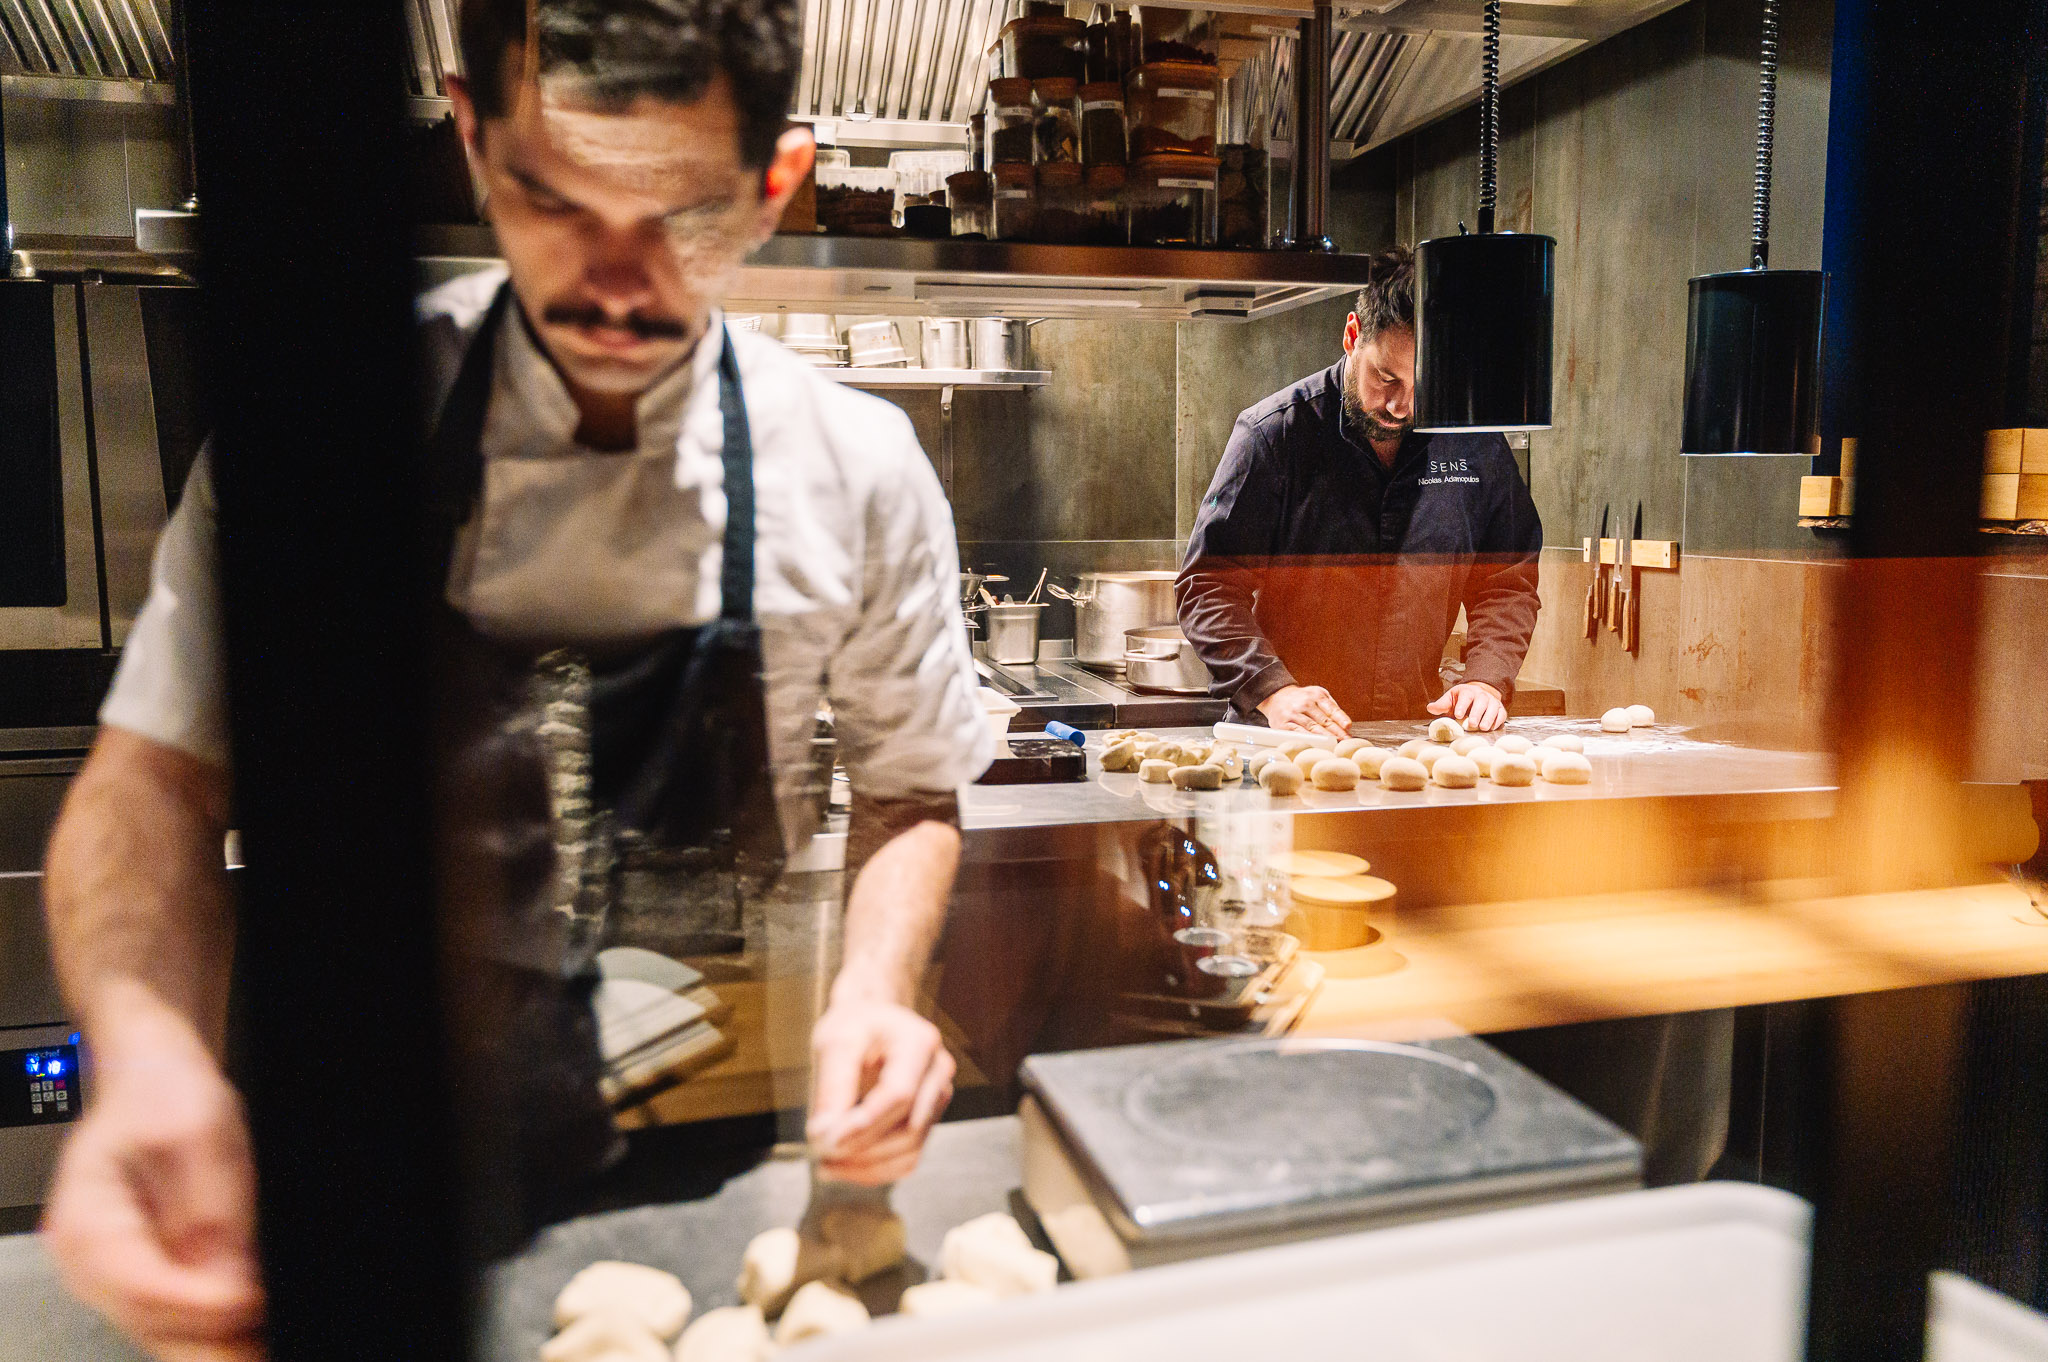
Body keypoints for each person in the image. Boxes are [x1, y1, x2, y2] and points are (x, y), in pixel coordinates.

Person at [37, 0, 992, 1356]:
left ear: (778, 186)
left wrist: (876, 992)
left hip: (697, 1147)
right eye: (554, 201)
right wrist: (142, 1053)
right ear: (476, 145)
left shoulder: (856, 468)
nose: (615, 276)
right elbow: (153, 790)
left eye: (681, 215)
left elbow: (910, 792)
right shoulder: (323, 435)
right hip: (344, 1155)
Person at [1176, 248, 1542, 736]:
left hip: (1409, 737)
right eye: (1385, 378)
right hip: (1283, 739)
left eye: (1423, 385)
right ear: (1352, 336)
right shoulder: (1273, 435)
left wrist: (1487, 680)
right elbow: (1208, 584)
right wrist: (1271, 689)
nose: (1400, 405)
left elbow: (1507, 580)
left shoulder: (1475, 445)